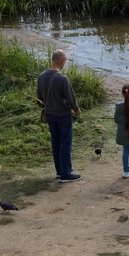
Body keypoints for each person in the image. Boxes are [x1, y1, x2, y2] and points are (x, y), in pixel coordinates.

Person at [37, 49, 82, 182]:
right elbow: (71, 98)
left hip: (49, 114)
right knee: (66, 144)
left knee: (55, 143)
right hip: (63, 115)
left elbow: (39, 97)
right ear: (62, 61)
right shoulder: (62, 79)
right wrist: (77, 110)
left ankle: (59, 171)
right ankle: (66, 173)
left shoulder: (41, 77)